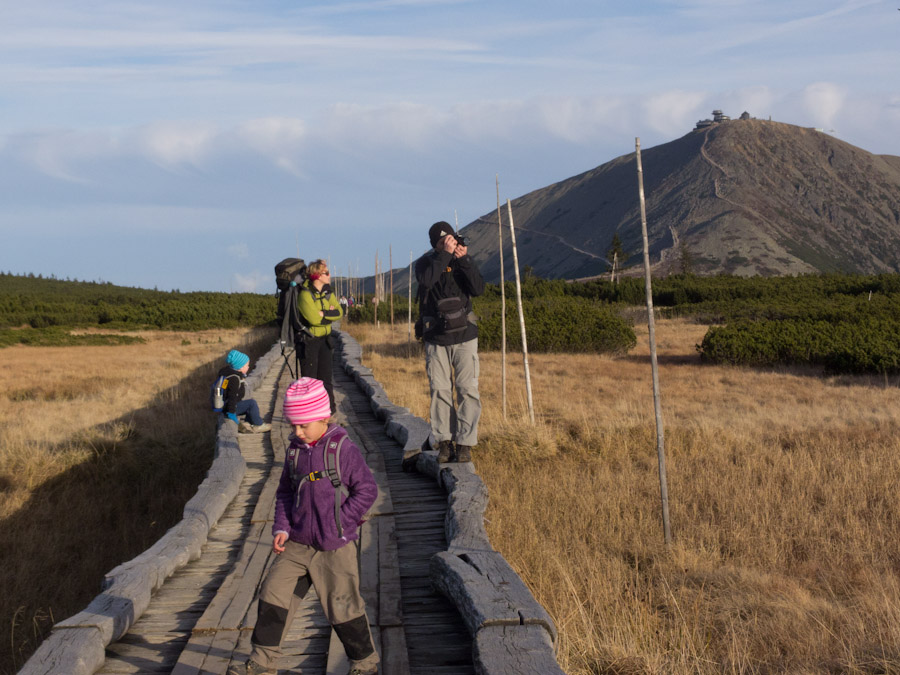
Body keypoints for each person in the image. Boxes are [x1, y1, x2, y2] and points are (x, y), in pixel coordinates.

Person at [228, 377, 379, 675]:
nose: (297, 432)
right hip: (297, 542)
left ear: (324, 418)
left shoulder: (342, 449)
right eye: (293, 425)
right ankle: (262, 662)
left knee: (343, 606)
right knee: (273, 593)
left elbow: (367, 490)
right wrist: (281, 528)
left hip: (334, 546)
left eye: (303, 425)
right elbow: (285, 492)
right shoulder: (295, 450)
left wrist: (340, 522)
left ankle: (364, 665)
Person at [414, 221, 485, 463]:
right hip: (436, 336)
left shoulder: (461, 261)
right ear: (435, 244)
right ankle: (445, 442)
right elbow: (427, 281)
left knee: (467, 389)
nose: (450, 243)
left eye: (452, 239)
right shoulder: (425, 263)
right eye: (444, 241)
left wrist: (464, 260)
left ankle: (465, 444)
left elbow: (478, 288)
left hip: (465, 335)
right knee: (440, 390)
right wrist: (444, 255)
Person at [298, 259, 343, 414]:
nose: (330, 276)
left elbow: (339, 312)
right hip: (309, 342)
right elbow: (314, 320)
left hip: (325, 340)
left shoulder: (327, 292)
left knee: (326, 380)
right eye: (327, 273)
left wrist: (323, 313)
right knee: (310, 381)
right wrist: (329, 314)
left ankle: (330, 413)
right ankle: (310, 415)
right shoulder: (305, 295)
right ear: (317, 275)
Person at [218, 349, 271, 433]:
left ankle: (249, 422)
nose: (248, 367)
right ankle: (258, 425)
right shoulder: (234, 379)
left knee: (248, 404)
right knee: (251, 403)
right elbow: (232, 396)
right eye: (247, 365)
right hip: (229, 408)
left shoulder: (228, 374)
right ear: (240, 367)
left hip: (226, 405)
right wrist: (231, 412)